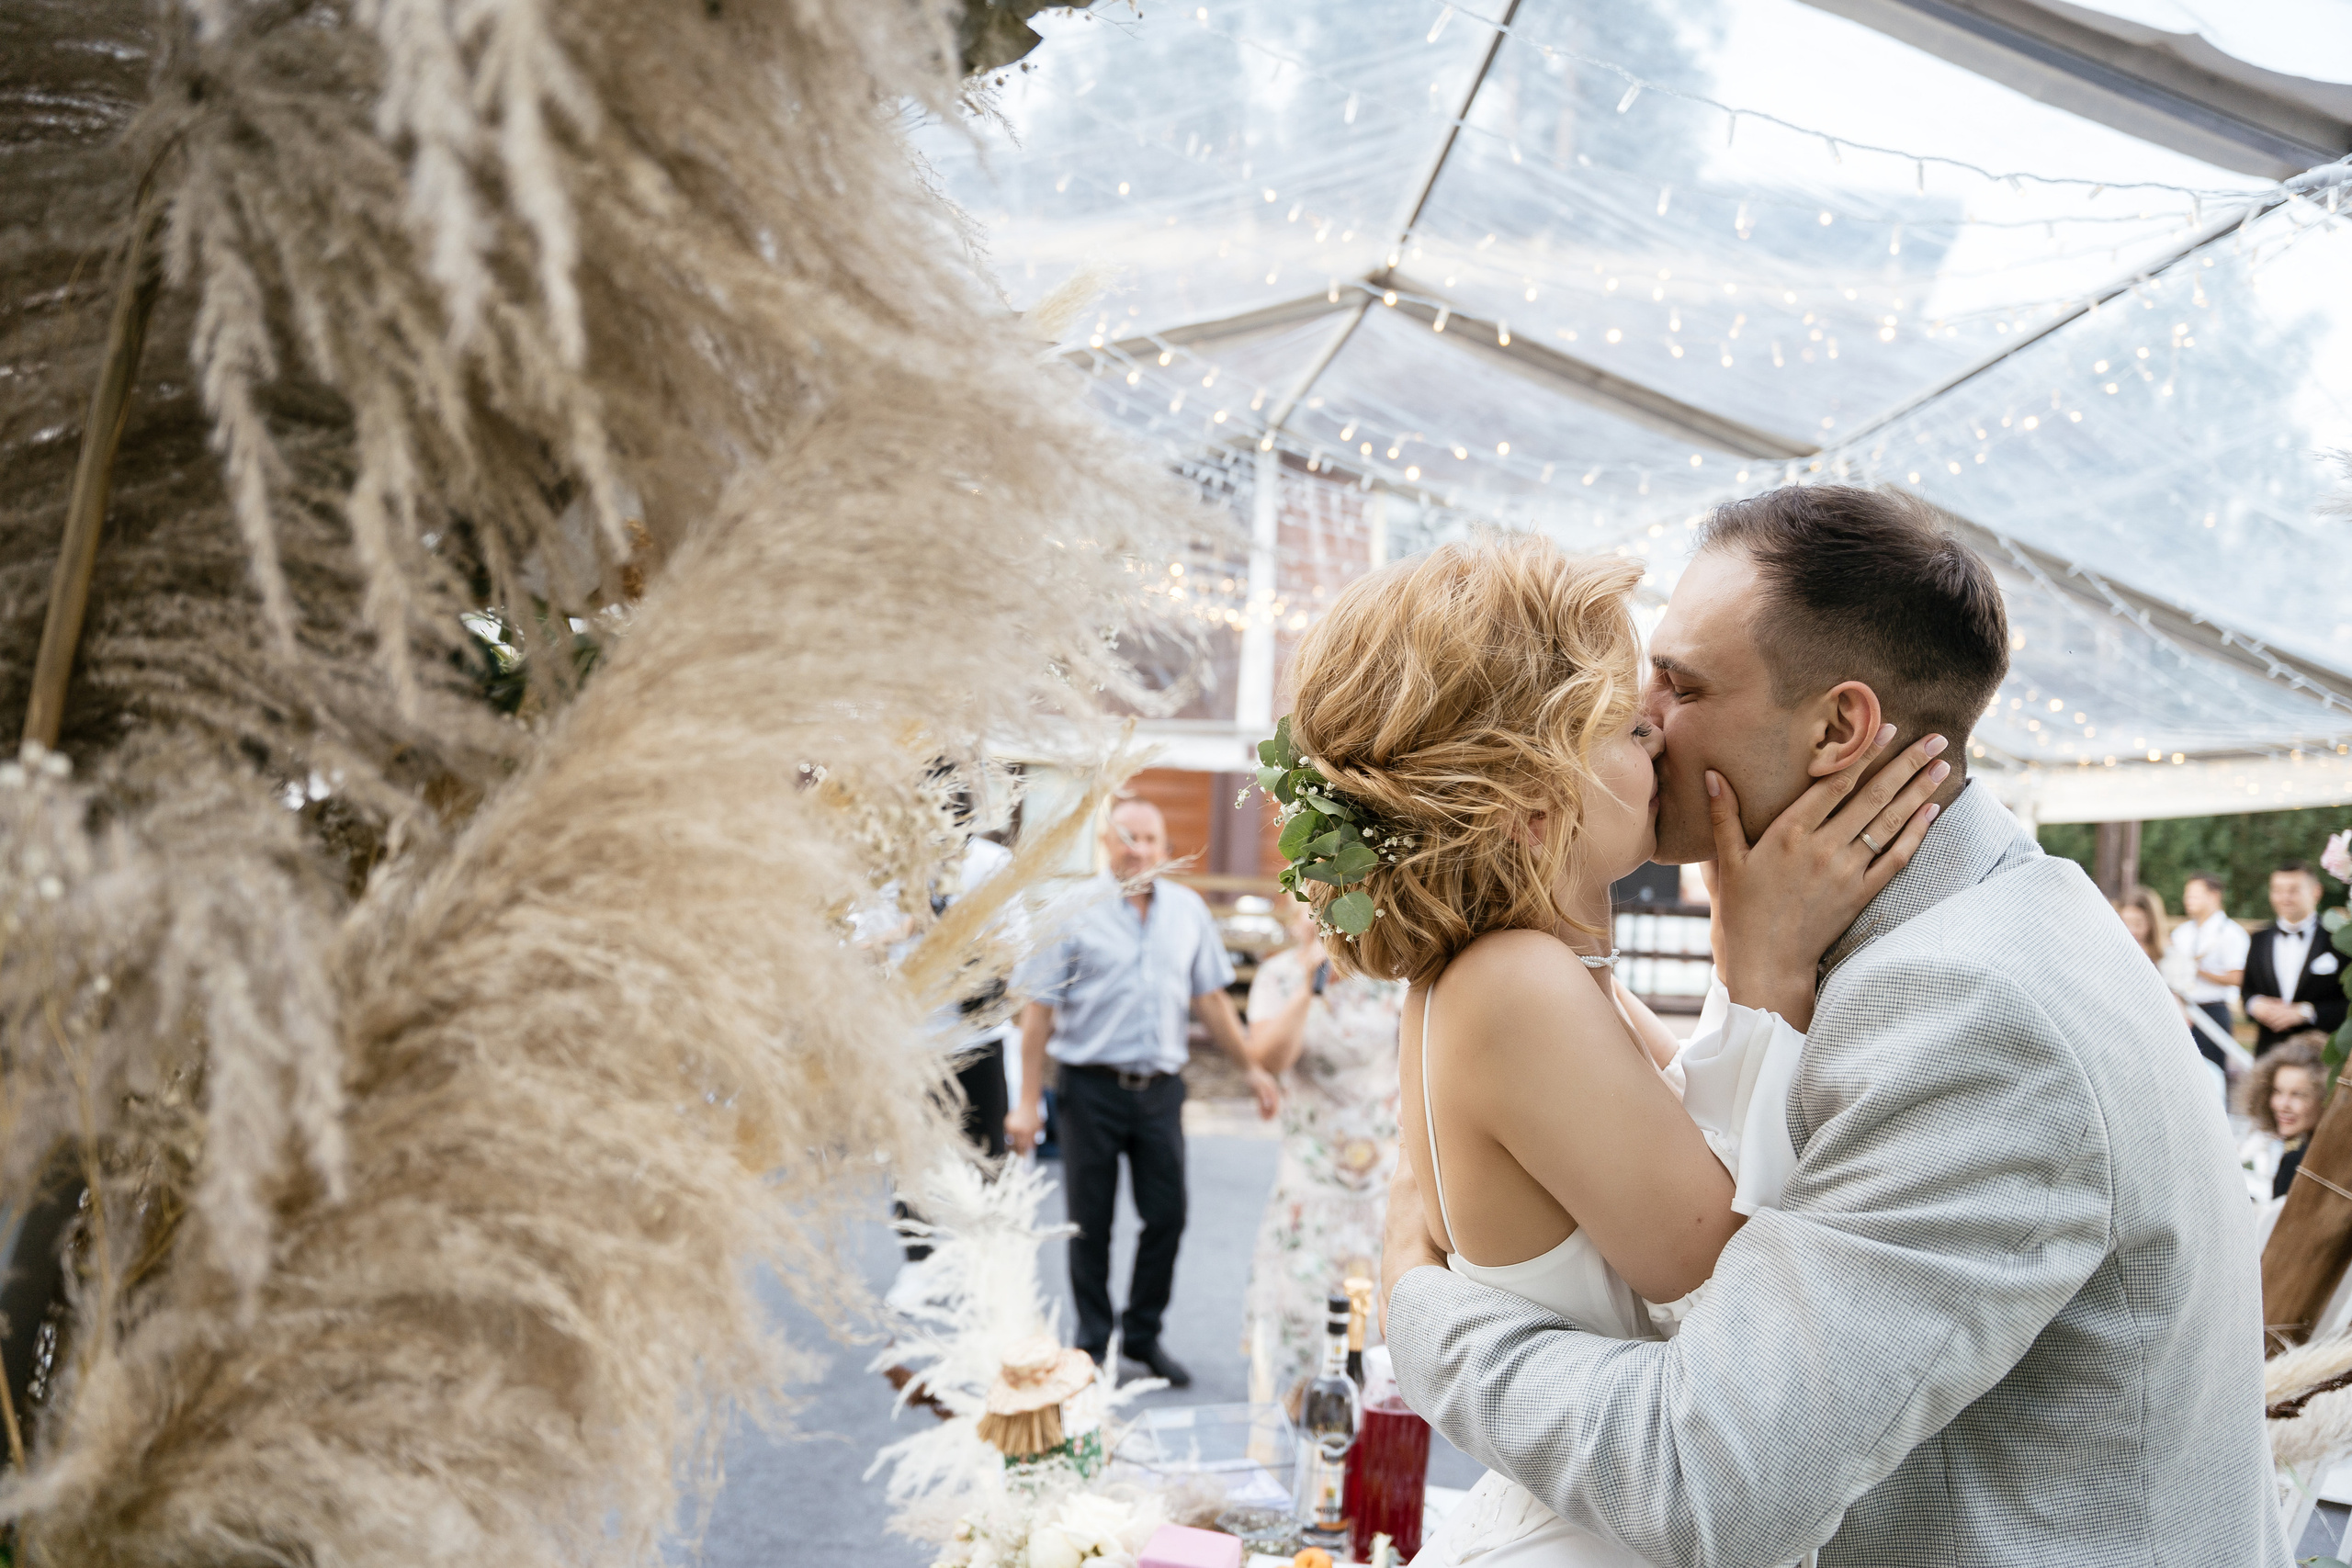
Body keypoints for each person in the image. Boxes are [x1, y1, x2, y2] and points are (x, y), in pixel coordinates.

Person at [1368, 488, 2280, 1566]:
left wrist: (1418, 1308)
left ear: (1839, 727)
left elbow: (1710, 1482)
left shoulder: (1971, 1009)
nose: (1644, 711)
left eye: (1683, 681)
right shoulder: (1958, 920)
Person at [1008, 797, 1278, 1387]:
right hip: (1090, 1089)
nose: (1139, 849)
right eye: (1128, 837)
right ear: (1107, 843)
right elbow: (1038, 1017)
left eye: (1150, 839)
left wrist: (1252, 1068)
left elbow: (1209, 999)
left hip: (1160, 1091)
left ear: (1164, 847)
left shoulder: (1187, 911)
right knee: (1090, 1223)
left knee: (1167, 1216)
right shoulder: (1071, 911)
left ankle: (1142, 1335)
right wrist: (1027, 1101)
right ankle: (1091, 1341)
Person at [1241, 902, 1407, 1411]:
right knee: (1302, 1298)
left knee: (1373, 1297)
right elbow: (1268, 1058)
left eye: (1324, 910)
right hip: (1311, 1172)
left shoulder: (1388, 976)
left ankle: (1366, 1414)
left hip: (1379, 1168)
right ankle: (1294, 1405)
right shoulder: (1279, 977)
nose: (1313, 921)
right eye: (1303, 912)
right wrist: (1311, 987)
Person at [2244, 862, 2346, 1056]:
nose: (2284, 898)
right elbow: (2247, 991)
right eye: (2278, 890)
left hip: (2320, 1052)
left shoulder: (2338, 940)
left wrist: (2307, 1012)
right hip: (2269, 1050)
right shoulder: (2259, 939)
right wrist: (2255, 1005)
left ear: (2316, 892)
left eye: (2293, 890)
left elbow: (2347, 1003)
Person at [2166, 870, 2247, 1072]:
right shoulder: (2181, 933)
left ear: (2214, 896)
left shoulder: (2231, 933)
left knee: (2212, 1072)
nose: (2188, 900)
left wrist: (2197, 970)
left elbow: (2237, 977)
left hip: (2213, 1010)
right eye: (2187, 895)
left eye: (2194, 895)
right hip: (2180, 1011)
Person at [2237, 1032, 2325, 1202]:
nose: (2282, 1105)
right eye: (2277, 1091)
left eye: (2298, 1095)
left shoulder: (2300, 1162)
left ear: (2325, 1098)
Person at [2112, 884, 2167, 966]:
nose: (2132, 930)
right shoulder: (2113, 956)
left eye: (2138, 924)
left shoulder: (2170, 959)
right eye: (2125, 924)